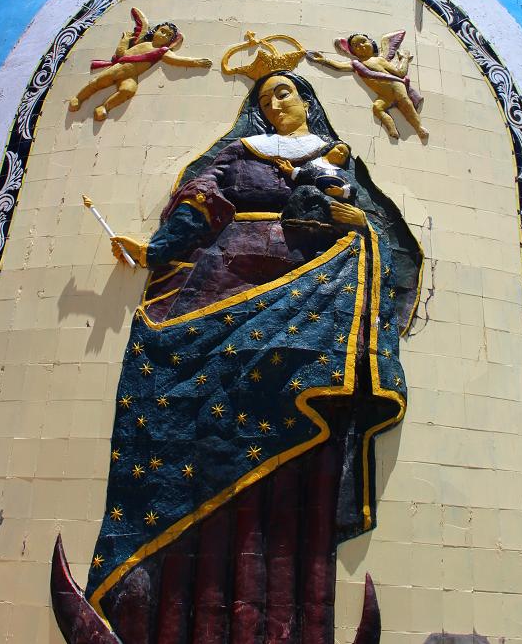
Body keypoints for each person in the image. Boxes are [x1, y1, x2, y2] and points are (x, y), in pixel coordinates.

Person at [53, 73, 421, 644]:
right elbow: (197, 208)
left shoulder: (337, 159)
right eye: (265, 95)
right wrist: (154, 250)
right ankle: (174, 610)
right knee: (199, 424)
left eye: (287, 92)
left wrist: (358, 227)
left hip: (312, 299)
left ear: (308, 102)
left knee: (299, 441)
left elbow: (380, 232)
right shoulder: (237, 154)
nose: (276, 101)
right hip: (221, 288)